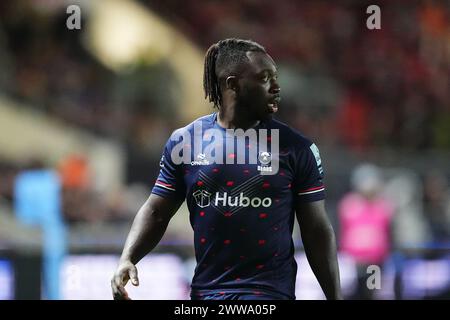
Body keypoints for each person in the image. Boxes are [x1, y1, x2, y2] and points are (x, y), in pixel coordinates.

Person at [111, 38, 342, 300]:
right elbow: (156, 211)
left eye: (275, 77)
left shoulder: (297, 149)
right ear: (233, 84)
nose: (276, 87)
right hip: (205, 296)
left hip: (268, 295)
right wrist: (128, 258)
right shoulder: (186, 141)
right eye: (265, 78)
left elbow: (316, 230)